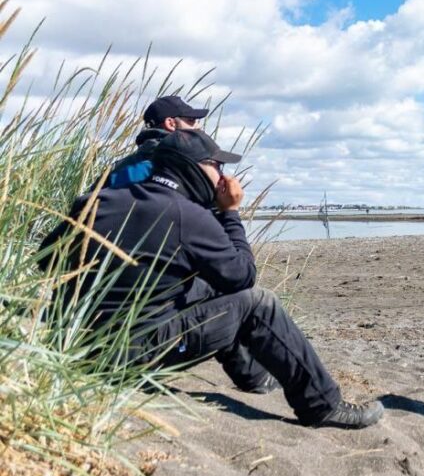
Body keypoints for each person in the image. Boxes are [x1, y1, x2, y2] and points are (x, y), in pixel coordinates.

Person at [39, 129, 382, 429]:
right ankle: (323, 405)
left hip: (78, 346)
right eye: (216, 166)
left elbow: (46, 259)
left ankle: (254, 378)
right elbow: (242, 277)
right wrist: (230, 213)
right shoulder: (187, 215)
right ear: (191, 168)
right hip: (133, 354)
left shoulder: (96, 200)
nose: (222, 176)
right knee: (257, 303)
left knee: (205, 287)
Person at [102, 95, 208, 189]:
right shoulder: (186, 166)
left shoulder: (117, 168)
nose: (198, 126)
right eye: (191, 121)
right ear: (171, 124)